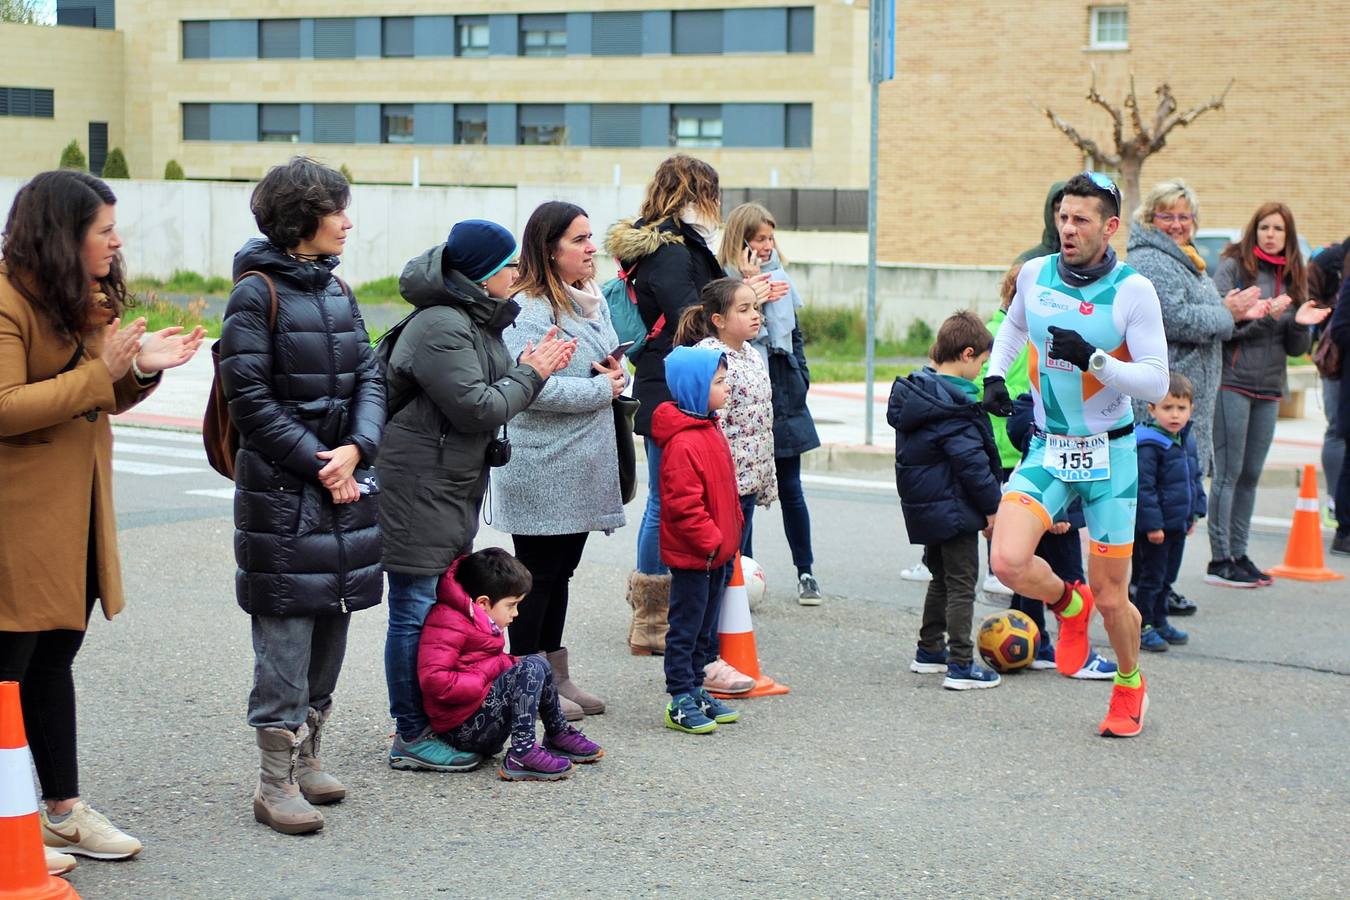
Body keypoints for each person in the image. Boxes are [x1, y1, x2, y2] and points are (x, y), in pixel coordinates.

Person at [0, 170, 203, 872]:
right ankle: (12, 828)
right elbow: (5, 405)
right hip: (16, 522)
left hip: (75, 513)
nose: (117, 244)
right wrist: (101, 371)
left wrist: (139, 370)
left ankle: (60, 812)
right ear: (62, 235)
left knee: (53, 660)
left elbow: (97, 400)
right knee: (8, 671)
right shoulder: (4, 300)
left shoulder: (73, 300)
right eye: (104, 230)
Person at [218, 157, 385, 835]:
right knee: (284, 639)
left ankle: (309, 753)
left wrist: (357, 449)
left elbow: (371, 375)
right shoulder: (255, 294)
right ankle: (273, 780)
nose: (347, 221)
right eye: (336, 209)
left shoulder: (339, 289)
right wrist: (325, 464)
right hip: (285, 497)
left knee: (332, 623)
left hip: (340, 484)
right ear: (300, 219)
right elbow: (249, 401)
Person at [378, 220, 574, 772]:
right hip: (421, 486)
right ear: (484, 272)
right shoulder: (442, 324)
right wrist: (532, 373)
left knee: (434, 607)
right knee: (414, 610)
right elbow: (479, 408)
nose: (517, 272)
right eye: (509, 264)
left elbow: (485, 391)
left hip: (447, 483)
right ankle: (412, 734)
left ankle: (436, 722)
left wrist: (527, 367)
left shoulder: (471, 318)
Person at [985, 172, 1170, 737]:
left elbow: (1157, 385)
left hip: (1110, 456)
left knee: (1115, 599)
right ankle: (1068, 605)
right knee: (1006, 561)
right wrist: (995, 374)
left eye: (1081, 219)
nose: (1067, 228)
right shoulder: (1036, 274)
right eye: (1063, 216)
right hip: (1048, 445)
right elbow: (1015, 328)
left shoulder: (1134, 291)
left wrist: (1096, 360)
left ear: (1109, 227)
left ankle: (1129, 684)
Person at [604, 155, 777, 655]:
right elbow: (692, 317)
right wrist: (742, 303)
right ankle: (652, 616)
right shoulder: (671, 251)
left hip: (673, 378)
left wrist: (739, 286)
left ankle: (674, 610)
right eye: (711, 193)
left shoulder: (669, 244)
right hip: (675, 383)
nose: (716, 204)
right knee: (665, 500)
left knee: (674, 497)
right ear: (692, 192)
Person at [491, 201, 626, 721]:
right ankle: (526, 680)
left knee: (562, 571)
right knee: (537, 576)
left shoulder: (591, 300)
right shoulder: (530, 308)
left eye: (591, 237)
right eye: (580, 239)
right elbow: (533, 387)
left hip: (580, 460)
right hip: (542, 465)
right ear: (550, 249)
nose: (593, 248)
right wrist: (601, 388)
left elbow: (609, 365)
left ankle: (556, 675)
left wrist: (616, 376)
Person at [1208, 203, 1328, 587]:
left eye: (1278, 228)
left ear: (1287, 235)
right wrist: (1264, 315)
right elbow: (1222, 327)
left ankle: (1240, 554)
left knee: (1251, 474)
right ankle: (1219, 558)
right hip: (1233, 381)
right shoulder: (1234, 267)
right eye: (1264, 227)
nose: (1270, 234)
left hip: (1270, 387)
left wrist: (1301, 325)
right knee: (1227, 472)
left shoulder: (1294, 275)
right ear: (1254, 230)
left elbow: (1294, 349)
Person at [889, 311, 1004, 690]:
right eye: (983, 363)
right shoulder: (955, 405)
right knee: (961, 583)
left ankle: (929, 649)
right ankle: (960, 664)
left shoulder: (922, 391)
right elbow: (972, 465)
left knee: (941, 578)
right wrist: (993, 507)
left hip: (930, 506)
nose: (983, 371)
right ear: (967, 354)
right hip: (955, 507)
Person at [418, 548, 603, 782]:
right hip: (460, 731)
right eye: (511, 605)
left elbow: (488, 662)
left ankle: (557, 734)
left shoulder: (479, 618)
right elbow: (434, 680)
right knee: (530, 667)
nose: (516, 613)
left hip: (477, 718)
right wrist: (488, 677)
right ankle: (522, 752)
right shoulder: (449, 621)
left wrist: (507, 667)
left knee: (537, 664)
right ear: (483, 603)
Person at [718, 203, 824, 604]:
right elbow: (739, 333)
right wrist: (749, 286)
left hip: (783, 386)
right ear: (740, 239)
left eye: (770, 238)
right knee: (741, 491)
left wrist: (801, 376)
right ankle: (742, 573)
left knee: (792, 487)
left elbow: (792, 334)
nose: (766, 246)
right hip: (744, 390)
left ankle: (806, 572)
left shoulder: (780, 278)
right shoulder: (725, 282)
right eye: (759, 238)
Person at [1125, 178, 1267, 476]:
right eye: (1166, 216)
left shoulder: (1183, 256)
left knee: (1185, 489)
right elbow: (1175, 317)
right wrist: (1226, 313)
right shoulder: (1151, 260)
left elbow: (1196, 306)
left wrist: (1231, 309)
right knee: (1168, 490)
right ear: (1150, 219)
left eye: (1184, 217)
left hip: (1188, 394)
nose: (1176, 225)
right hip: (1167, 397)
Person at [651, 346, 745, 734]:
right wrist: (711, 540)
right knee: (686, 627)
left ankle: (697, 688)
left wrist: (731, 532)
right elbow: (683, 504)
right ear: (693, 388)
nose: (727, 388)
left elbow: (725, 491)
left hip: (718, 553)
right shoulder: (682, 442)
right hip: (697, 555)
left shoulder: (710, 427)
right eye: (719, 382)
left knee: (706, 630)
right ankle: (680, 696)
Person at [1006, 392, 1117, 679]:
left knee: (1033, 580)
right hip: (1053, 511)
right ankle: (1078, 658)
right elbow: (1039, 447)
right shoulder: (1043, 404)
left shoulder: (1072, 401)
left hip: (1045, 508)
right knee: (1071, 582)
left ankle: (1034, 645)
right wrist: (1059, 513)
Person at [1133, 373, 1207, 652]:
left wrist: (1196, 512)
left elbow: (1194, 478)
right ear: (1151, 409)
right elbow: (1145, 488)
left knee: (1167, 578)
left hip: (1177, 524)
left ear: (1191, 409)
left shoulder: (1185, 440)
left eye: (1181, 408)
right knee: (1150, 578)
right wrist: (1152, 525)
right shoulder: (1149, 444)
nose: (1175, 415)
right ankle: (1143, 625)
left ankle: (1160, 620)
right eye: (1167, 408)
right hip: (1156, 528)